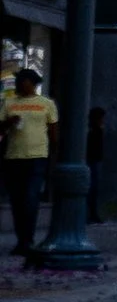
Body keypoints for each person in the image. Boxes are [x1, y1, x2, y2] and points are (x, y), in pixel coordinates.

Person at [3, 66, 56, 266]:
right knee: (17, 201)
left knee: (30, 198)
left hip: (37, 157)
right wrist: (9, 122)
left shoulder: (46, 104)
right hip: (13, 157)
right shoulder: (9, 103)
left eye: (21, 81)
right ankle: (21, 241)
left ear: (31, 84)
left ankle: (29, 239)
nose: (17, 85)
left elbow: (53, 130)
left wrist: (53, 154)